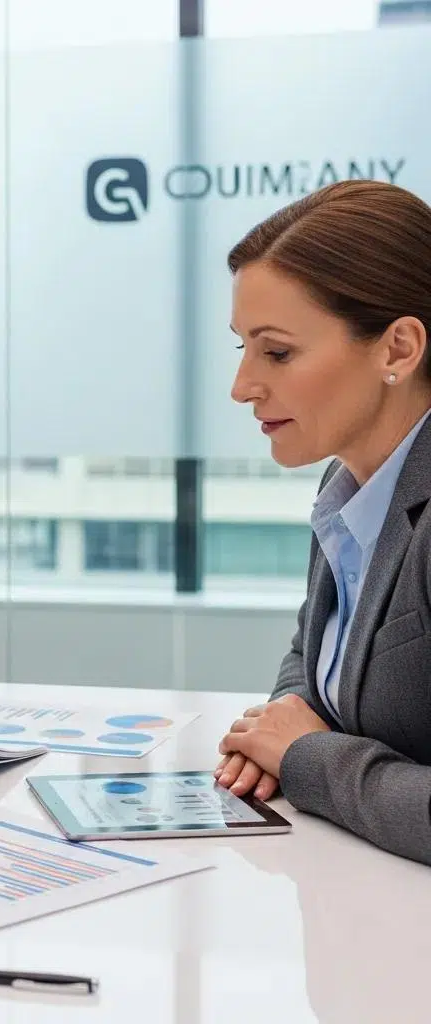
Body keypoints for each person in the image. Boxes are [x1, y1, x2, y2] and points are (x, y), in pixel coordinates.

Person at [215, 178, 431, 866]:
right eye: (242, 348)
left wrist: (305, 757)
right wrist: (280, 725)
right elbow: (313, 658)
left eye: (276, 352)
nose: (243, 385)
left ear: (397, 349)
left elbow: (311, 741)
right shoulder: (348, 487)